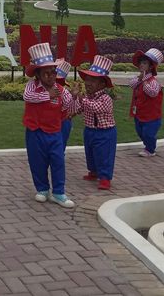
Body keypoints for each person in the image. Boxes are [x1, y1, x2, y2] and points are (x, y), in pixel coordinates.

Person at [23, 44, 75, 207]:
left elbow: (68, 109)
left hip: (54, 132)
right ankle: (42, 189)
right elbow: (28, 97)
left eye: (53, 72)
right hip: (35, 131)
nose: (51, 76)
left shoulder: (61, 89)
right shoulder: (32, 86)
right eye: (46, 72)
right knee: (37, 161)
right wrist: (47, 95)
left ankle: (59, 192)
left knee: (58, 160)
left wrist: (74, 97)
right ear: (38, 74)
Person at [72, 55, 116, 191]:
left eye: (93, 80)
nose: (88, 83)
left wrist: (80, 98)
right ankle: (93, 172)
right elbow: (78, 109)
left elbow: (96, 108)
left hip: (105, 132)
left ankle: (105, 178)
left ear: (102, 84)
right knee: (90, 153)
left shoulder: (105, 98)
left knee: (104, 155)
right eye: (87, 80)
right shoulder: (88, 97)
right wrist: (74, 99)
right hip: (90, 130)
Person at [129, 48, 164, 157]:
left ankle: (150, 149)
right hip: (140, 113)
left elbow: (152, 93)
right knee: (140, 131)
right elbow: (131, 84)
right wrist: (140, 79)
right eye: (141, 63)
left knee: (148, 133)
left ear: (151, 67)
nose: (141, 65)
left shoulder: (153, 82)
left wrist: (144, 81)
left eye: (144, 63)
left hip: (152, 115)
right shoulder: (139, 79)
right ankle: (148, 146)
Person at [54, 57, 74, 155]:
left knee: (59, 148)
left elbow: (69, 108)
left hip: (62, 121)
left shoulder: (64, 92)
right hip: (56, 121)